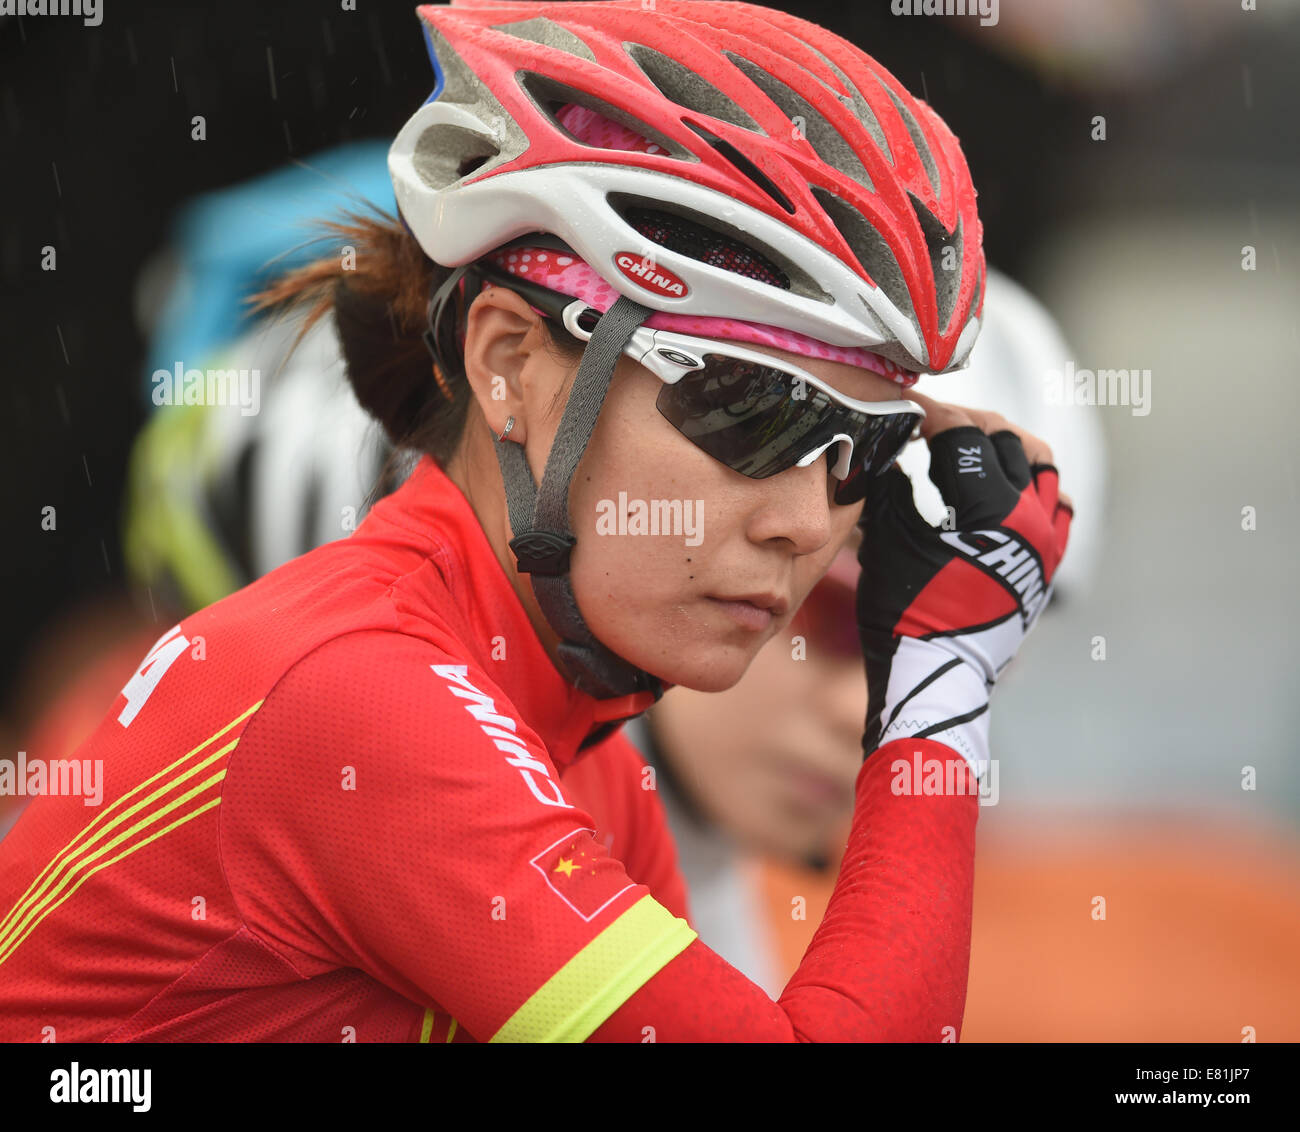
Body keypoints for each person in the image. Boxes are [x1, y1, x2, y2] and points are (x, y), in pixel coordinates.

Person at [0, 0, 1070, 1042]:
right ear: (509, 362)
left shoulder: (577, 737)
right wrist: (942, 684)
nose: (805, 521)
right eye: (748, 411)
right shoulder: (358, 697)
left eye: (863, 452)